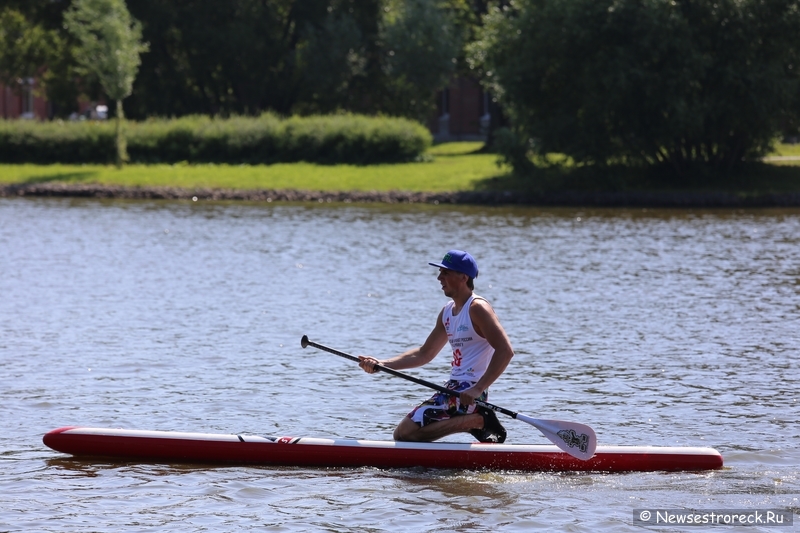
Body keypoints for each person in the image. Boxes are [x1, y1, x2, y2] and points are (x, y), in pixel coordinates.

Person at [358, 250, 515, 443]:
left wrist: (478, 389)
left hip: (471, 391)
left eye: (445, 273)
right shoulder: (447, 312)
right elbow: (424, 354)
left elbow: (506, 351)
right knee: (400, 434)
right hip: (454, 387)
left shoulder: (477, 308)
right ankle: (471, 423)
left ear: (463, 277)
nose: (439, 277)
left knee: (407, 433)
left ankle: (478, 421)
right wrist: (382, 364)